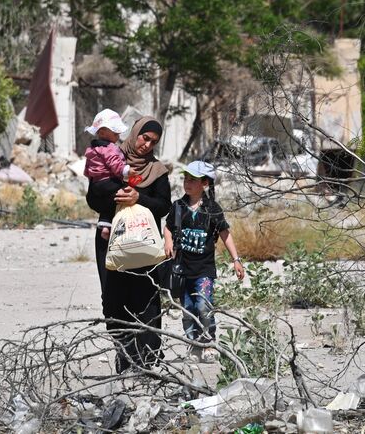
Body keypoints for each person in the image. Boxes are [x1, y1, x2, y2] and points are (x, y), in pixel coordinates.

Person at [88, 116, 171, 373]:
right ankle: (124, 359)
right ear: (135, 134)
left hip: (143, 246)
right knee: (112, 300)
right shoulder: (110, 158)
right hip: (111, 242)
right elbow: (93, 198)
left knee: (146, 301)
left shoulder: (157, 171)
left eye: (153, 142)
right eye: (144, 138)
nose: (146, 145)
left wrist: (138, 197)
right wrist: (116, 197)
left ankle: (148, 362)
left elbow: (163, 205)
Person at [163, 161, 245, 363]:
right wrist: (168, 241)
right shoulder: (178, 207)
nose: (187, 183)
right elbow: (167, 226)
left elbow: (225, 234)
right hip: (181, 270)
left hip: (204, 270)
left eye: (193, 180)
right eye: (186, 179)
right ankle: (193, 346)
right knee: (187, 310)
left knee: (204, 306)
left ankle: (209, 343)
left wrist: (236, 260)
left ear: (205, 183)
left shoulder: (212, 209)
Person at [83, 108, 130, 241]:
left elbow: (87, 170)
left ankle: (104, 226)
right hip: (108, 183)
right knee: (121, 195)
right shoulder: (109, 148)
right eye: (115, 132)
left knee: (107, 204)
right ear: (102, 132)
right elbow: (115, 165)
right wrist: (126, 170)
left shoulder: (91, 149)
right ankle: (117, 226)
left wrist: (93, 178)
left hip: (95, 185)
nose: (118, 136)